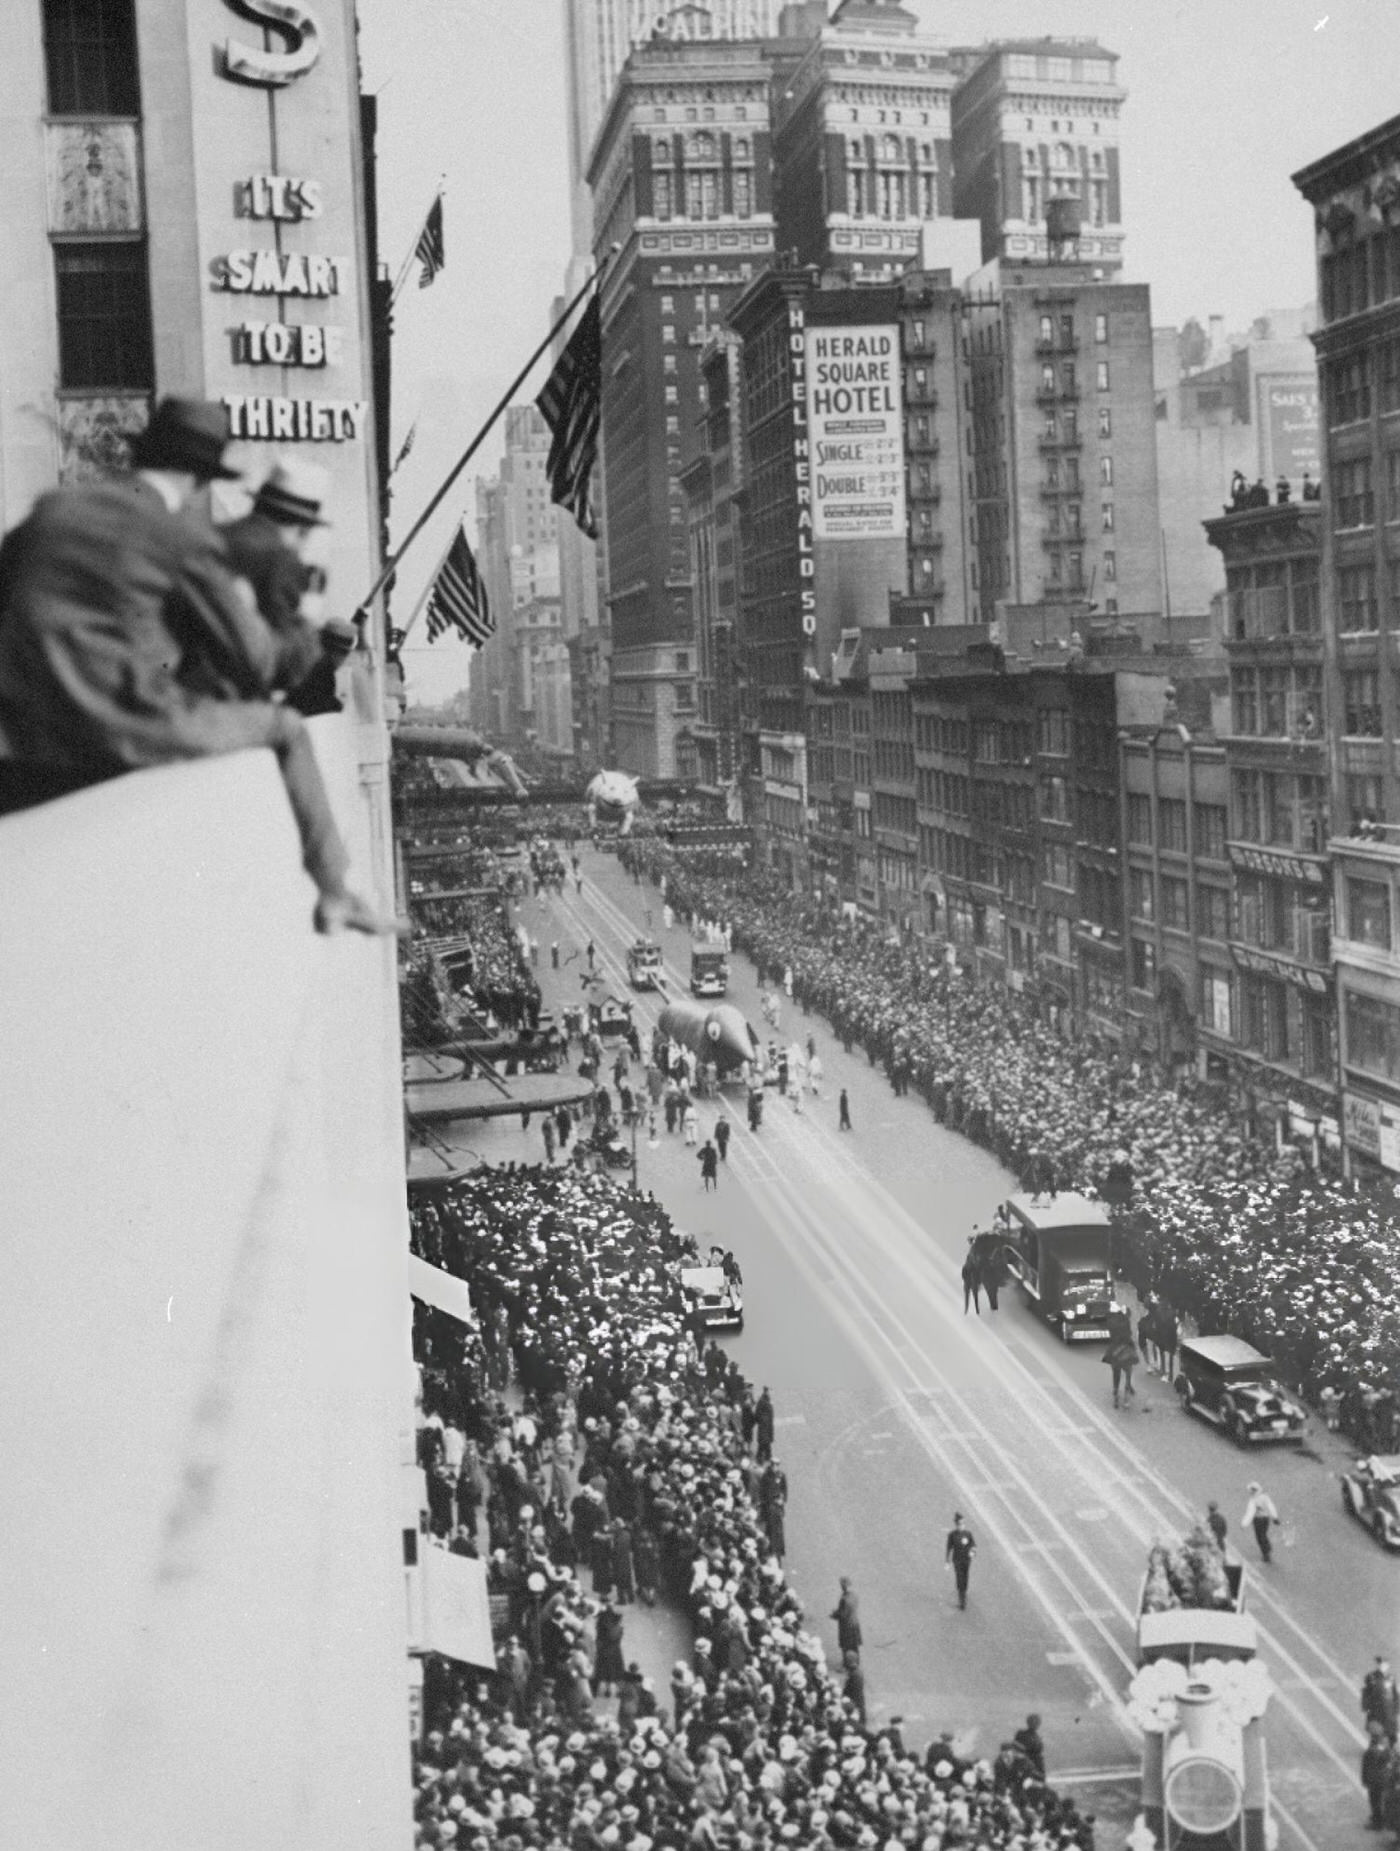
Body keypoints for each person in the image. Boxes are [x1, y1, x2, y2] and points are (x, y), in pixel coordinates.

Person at [0, 396, 395, 936]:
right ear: (200, 476)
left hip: (18, 718)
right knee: (286, 730)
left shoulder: (52, 509)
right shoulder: (181, 536)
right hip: (118, 721)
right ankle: (335, 891)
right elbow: (259, 662)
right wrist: (308, 625)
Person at [216, 458, 354, 716]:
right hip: (230, 701)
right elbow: (291, 669)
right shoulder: (282, 560)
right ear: (303, 527)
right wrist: (309, 613)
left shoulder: (218, 535)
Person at [1363, 1721, 1394, 1830]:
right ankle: (1382, 1820)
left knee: (1375, 1801)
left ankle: (1377, 1823)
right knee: (1382, 1800)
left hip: (1374, 1780)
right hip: (1384, 1779)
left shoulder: (1370, 1752)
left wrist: (1365, 1780)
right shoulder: (1386, 1747)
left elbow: (1366, 1768)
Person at [1363, 1657, 1400, 1744]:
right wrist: (1366, 1706)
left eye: (1385, 1665)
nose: (1383, 1667)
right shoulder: (1371, 1677)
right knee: (1376, 1733)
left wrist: (1397, 1708)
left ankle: (1390, 1750)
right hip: (1376, 1710)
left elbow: (1395, 1695)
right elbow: (1367, 1693)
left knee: (1392, 1735)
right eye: (1381, 1665)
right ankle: (1375, 1749)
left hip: (1389, 1711)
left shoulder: (1390, 1678)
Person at [1242, 1481, 1280, 1563]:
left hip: (1258, 1520)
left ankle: (1266, 1554)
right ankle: (1267, 1547)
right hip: (1266, 1519)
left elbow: (1250, 1512)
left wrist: (1244, 1524)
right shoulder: (1265, 1497)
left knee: (1259, 1537)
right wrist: (1275, 1518)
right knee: (1264, 1534)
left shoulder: (1253, 1500)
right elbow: (1271, 1507)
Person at [946, 1512, 976, 1609]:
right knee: (959, 1578)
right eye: (960, 1524)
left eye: (963, 1524)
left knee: (965, 1577)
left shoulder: (968, 1534)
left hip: (966, 1560)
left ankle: (964, 1591)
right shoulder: (952, 1535)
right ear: (956, 1525)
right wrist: (947, 1561)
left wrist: (972, 1552)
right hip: (957, 1560)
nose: (962, 1526)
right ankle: (961, 1599)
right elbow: (949, 1548)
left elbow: (973, 1545)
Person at [831, 1577, 862, 1656]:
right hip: (855, 1623)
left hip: (846, 1626)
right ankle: (856, 1661)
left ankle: (847, 1664)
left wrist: (834, 1614)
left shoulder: (844, 1599)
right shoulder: (855, 1595)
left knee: (846, 1646)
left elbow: (843, 1614)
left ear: (843, 1586)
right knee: (855, 1646)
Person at [1014, 1713, 1046, 1778]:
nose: (1036, 1725)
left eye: (1037, 1723)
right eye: (1035, 1723)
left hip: (1036, 1763)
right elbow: (1017, 1747)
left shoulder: (1035, 1736)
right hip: (1028, 1762)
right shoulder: (1022, 1734)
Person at [842, 1648, 867, 1725]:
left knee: (858, 1710)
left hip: (855, 1697)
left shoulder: (854, 1674)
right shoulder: (856, 1672)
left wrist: (845, 1694)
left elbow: (851, 1687)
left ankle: (861, 1723)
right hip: (858, 1696)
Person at [961, 1244, 983, 1316]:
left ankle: (976, 1310)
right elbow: (964, 1271)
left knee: (974, 1295)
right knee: (968, 1295)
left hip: (972, 1279)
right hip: (968, 1279)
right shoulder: (970, 1259)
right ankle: (967, 1310)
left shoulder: (975, 1258)